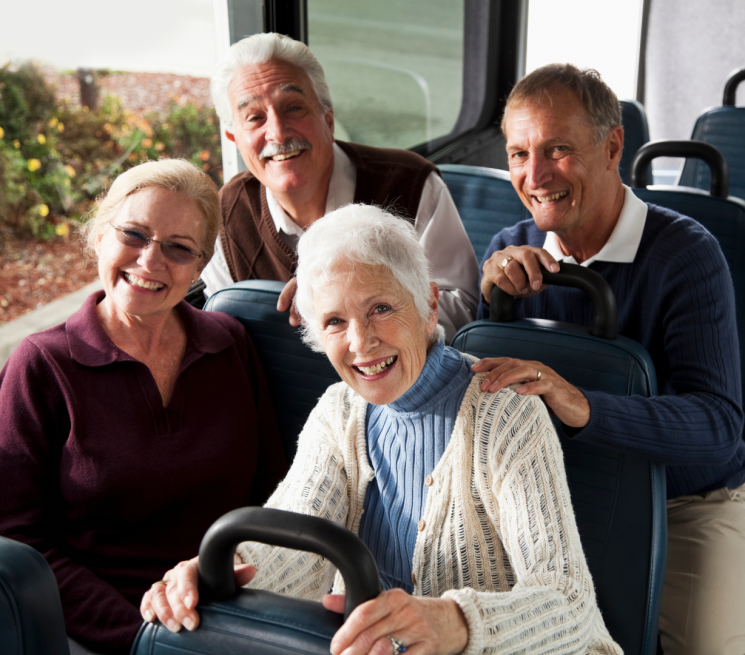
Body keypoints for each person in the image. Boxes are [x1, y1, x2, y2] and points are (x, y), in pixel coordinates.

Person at [142, 204, 622, 655]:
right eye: (334, 321)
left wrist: (453, 622)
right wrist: (214, 573)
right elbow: (292, 536)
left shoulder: (506, 413)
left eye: (381, 309)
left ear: (429, 305)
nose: (361, 343)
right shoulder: (338, 412)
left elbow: (570, 606)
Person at [476, 64, 745, 655]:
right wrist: (485, 299)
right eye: (519, 154)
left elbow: (720, 428)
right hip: (551, 498)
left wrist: (582, 406)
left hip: (685, 502)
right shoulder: (505, 252)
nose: (535, 174)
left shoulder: (687, 256)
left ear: (613, 146)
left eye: (558, 149)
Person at [0, 160, 287, 655]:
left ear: (200, 268)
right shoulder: (41, 365)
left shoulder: (230, 343)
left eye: (178, 248)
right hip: (100, 627)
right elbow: (18, 540)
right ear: (98, 237)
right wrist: (140, 636)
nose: (150, 262)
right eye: (133, 234)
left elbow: (273, 488)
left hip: (233, 607)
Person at [199, 32, 479, 341]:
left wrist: (344, 299)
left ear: (328, 119)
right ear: (234, 139)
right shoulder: (227, 212)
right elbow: (225, 330)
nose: (277, 133)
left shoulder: (410, 183)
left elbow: (462, 311)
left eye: (293, 108)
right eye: (254, 117)